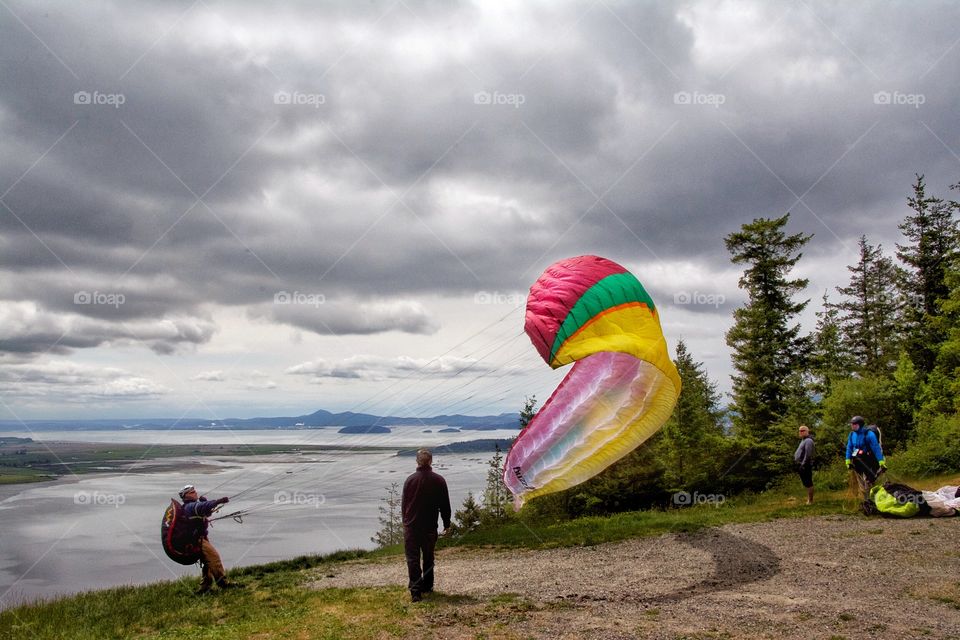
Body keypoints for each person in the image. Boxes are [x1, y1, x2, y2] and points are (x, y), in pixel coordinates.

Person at [401, 449, 451, 602]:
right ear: (430, 461)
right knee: (428, 557)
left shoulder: (410, 480)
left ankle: (416, 592)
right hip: (430, 526)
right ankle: (428, 586)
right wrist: (446, 523)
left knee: (413, 559)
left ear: (417, 462)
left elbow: (404, 504)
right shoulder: (439, 480)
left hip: (412, 526)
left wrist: (405, 521)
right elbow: (444, 505)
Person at [179, 485, 234, 594]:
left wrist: (208, 504)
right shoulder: (190, 506)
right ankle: (222, 583)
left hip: (198, 539)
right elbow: (203, 507)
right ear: (186, 496)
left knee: (207, 562)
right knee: (214, 558)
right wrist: (218, 501)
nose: (195, 493)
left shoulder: (190, 506)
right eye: (191, 492)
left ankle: (205, 587)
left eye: (194, 491)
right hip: (197, 541)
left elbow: (205, 511)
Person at [845, 416, 886, 504]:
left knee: (869, 479)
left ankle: (872, 498)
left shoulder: (869, 434)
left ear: (860, 425)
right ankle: (865, 500)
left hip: (869, 459)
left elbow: (876, 448)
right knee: (860, 479)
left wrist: (881, 461)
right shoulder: (852, 435)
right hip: (857, 459)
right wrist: (847, 459)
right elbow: (849, 447)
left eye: (854, 424)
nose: (852, 426)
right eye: (851, 424)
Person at [794, 425, 815, 505]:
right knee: (806, 482)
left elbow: (808, 454)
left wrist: (803, 464)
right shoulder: (803, 440)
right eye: (800, 431)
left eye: (803, 430)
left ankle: (810, 501)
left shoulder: (808, 440)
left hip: (805, 465)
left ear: (807, 431)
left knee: (808, 482)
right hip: (801, 464)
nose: (801, 432)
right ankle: (809, 499)